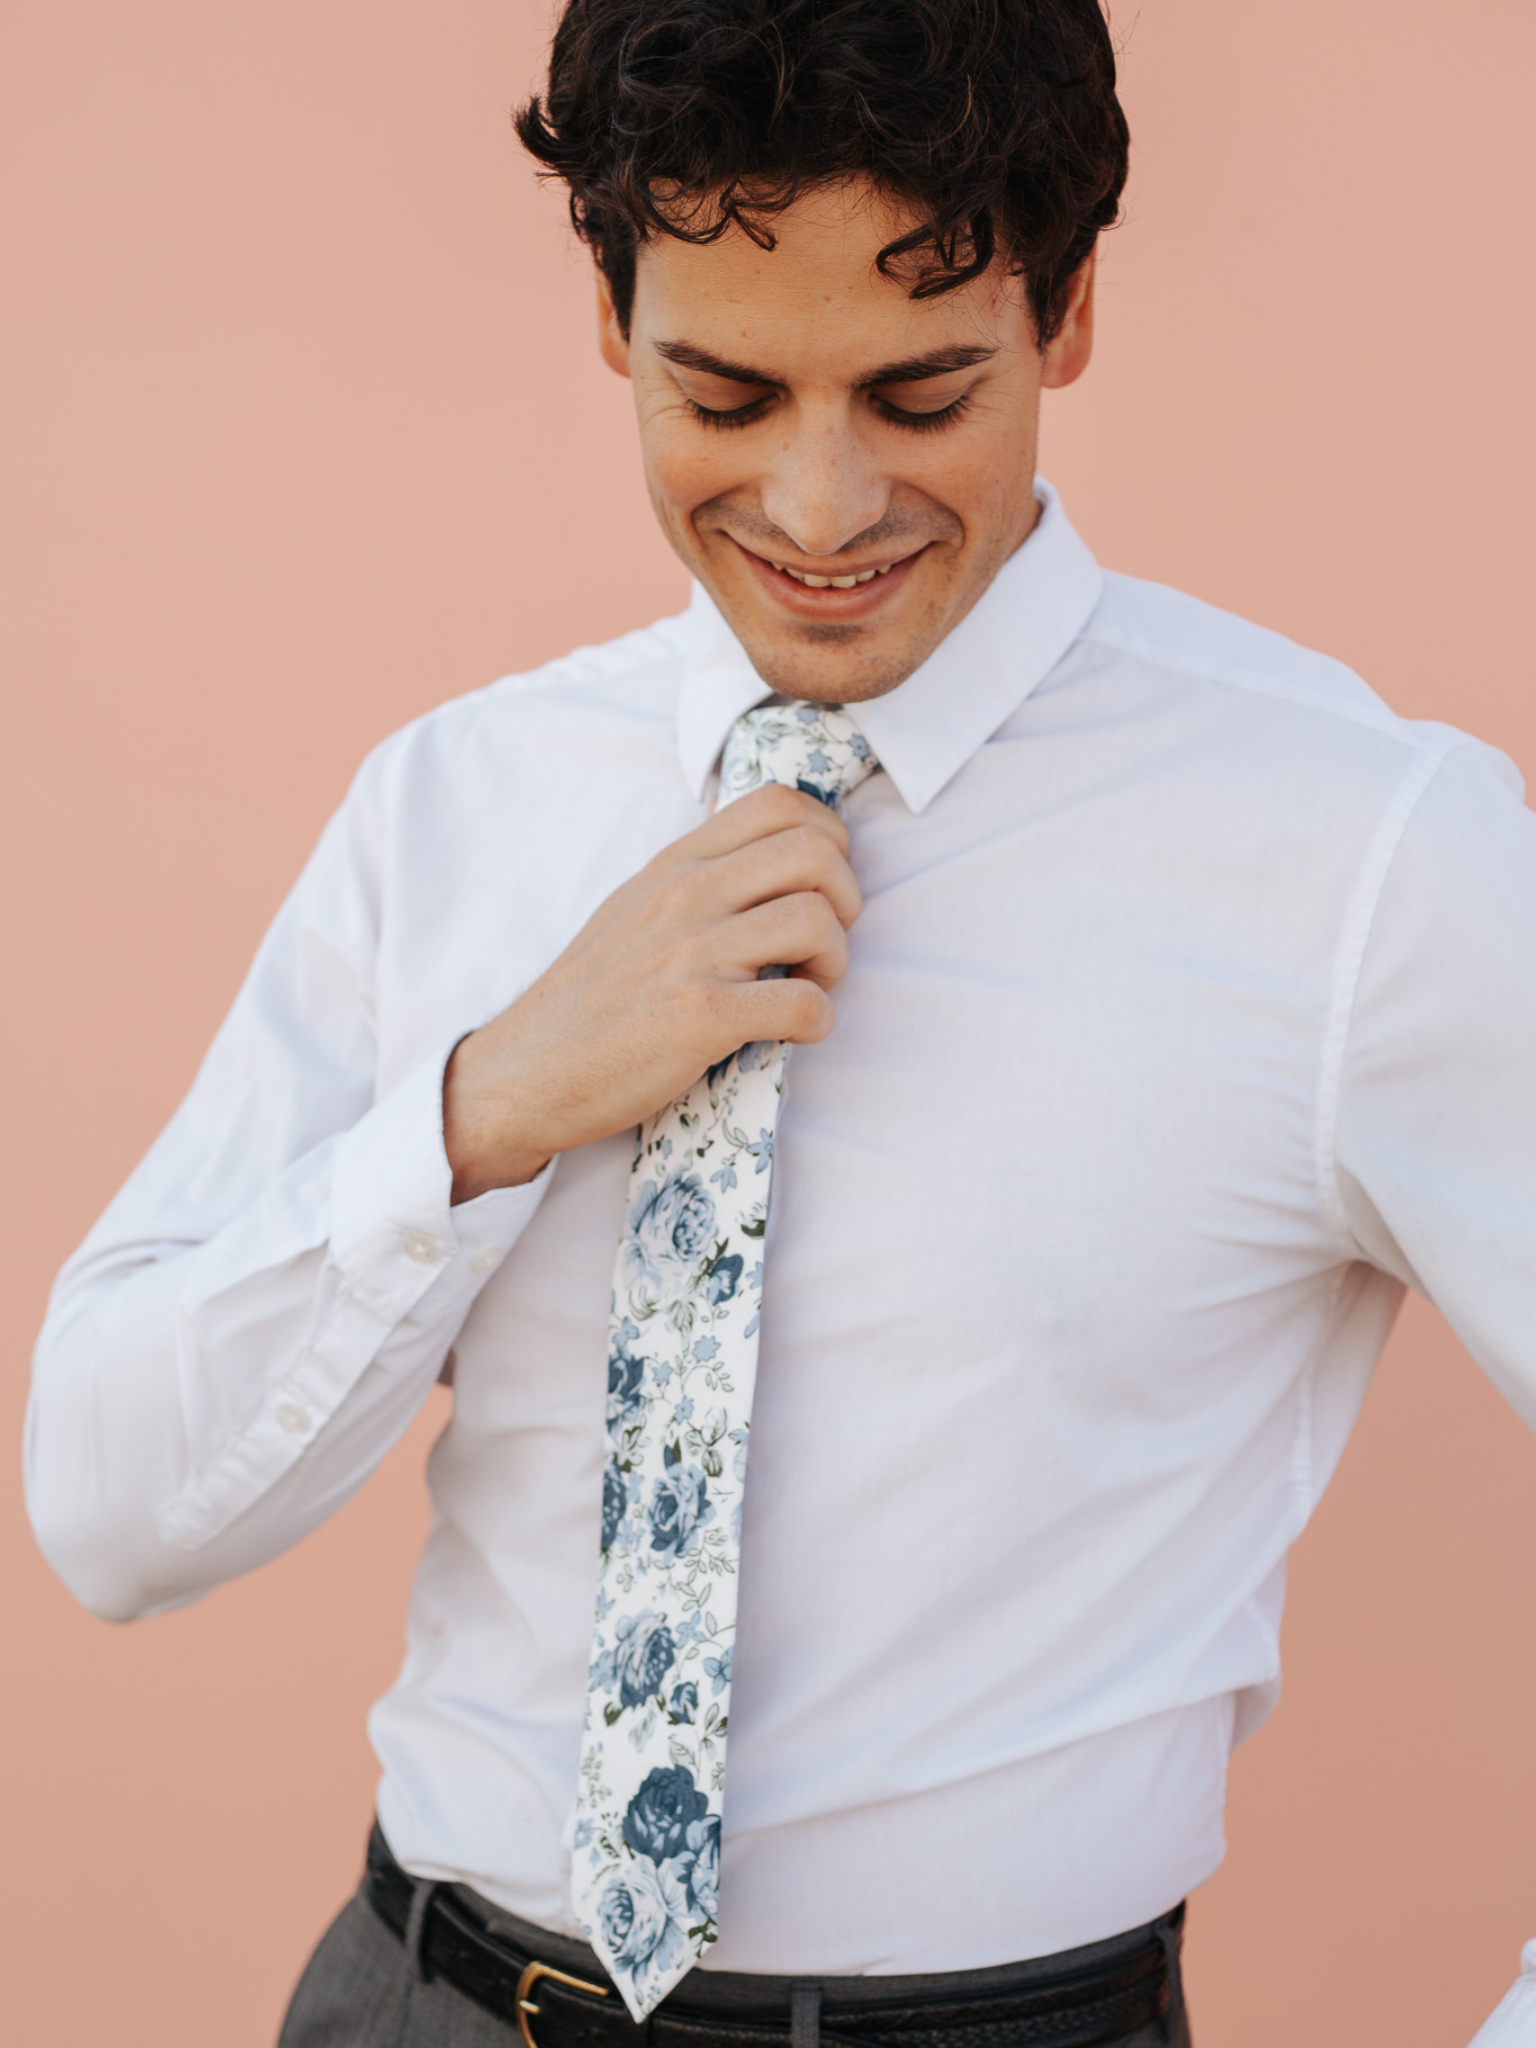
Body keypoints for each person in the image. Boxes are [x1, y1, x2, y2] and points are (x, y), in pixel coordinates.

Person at [24, 0, 1536, 2041]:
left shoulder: (1366, 852)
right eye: (720, 392)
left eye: (921, 395)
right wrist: (492, 1100)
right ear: (608, 315)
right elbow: (113, 1513)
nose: (819, 510)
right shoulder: (459, 804)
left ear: (1067, 312)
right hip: (423, 1999)